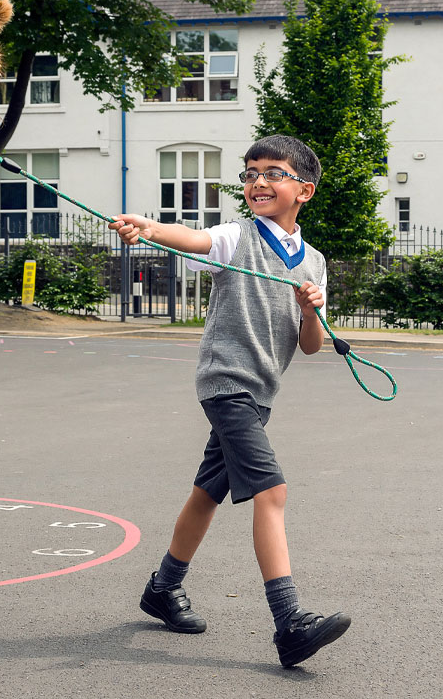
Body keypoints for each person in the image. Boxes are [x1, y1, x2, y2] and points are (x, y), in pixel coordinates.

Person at [109, 134, 350, 668]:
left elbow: (311, 345)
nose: (258, 182)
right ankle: (289, 621)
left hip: (262, 393)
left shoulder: (313, 262)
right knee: (272, 491)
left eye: (273, 173)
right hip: (227, 385)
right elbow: (190, 238)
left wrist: (311, 309)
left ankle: (162, 588)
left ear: (303, 190)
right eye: (250, 173)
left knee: (206, 493)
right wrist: (147, 228)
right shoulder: (235, 239)